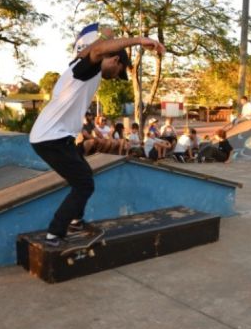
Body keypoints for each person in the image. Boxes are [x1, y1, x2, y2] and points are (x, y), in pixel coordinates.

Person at [29, 34, 165, 246]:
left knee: (84, 176)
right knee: (84, 184)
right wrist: (138, 40)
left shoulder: (78, 65)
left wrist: (106, 35)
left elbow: (92, 49)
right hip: (51, 138)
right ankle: (55, 234)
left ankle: (76, 220)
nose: (114, 76)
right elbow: (97, 51)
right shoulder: (88, 70)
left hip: (56, 137)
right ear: (115, 60)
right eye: (118, 71)